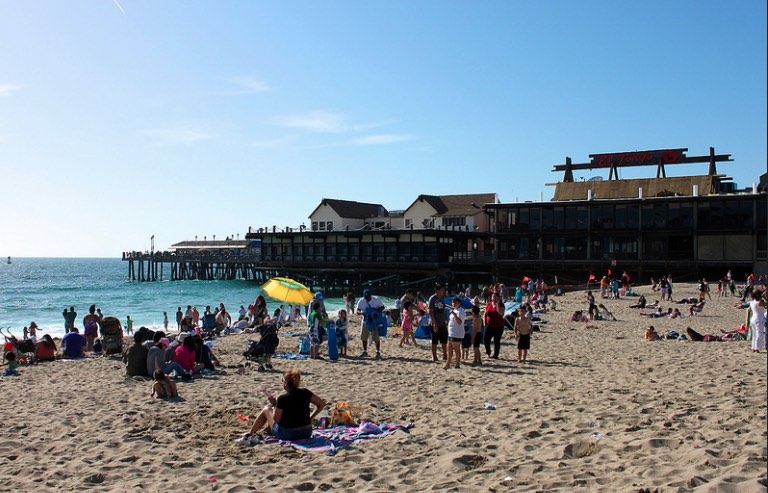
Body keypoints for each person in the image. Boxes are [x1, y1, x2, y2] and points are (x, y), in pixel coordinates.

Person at [244, 370, 326, 441]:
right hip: (306, 432)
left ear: (286, 383)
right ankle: (267, 430)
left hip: (289, 434)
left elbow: (276, 419)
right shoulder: (305, 392)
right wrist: (310, 418)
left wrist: (275, 404)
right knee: (274, 415)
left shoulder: (282, 398)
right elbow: (322, 404)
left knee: (267, 409)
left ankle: (250, 433)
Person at [356, 289, 385, 358]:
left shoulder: (376, 299)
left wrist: (375, 311)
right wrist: (362, 313)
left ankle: (378, 352)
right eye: (366, 298)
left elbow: (382, 307)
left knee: (376, 336)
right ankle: (365, 351)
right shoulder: (361, 301)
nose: (368, 299)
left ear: (371, 296)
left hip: (375, 321)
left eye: (369, 297)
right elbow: (357, 310)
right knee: (364, 336)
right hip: (365, 321)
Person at [428, 284, 449, 362]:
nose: (444, 291)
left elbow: (443, 310)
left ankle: (445, 355)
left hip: (442, 322)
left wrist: (447, 319)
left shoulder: (442, 298)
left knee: (444, 340)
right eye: (442, 290)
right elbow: (430, 311)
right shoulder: (432, 298)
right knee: (435, 341)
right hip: (435, 322)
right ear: (437, 291)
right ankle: (434, 357)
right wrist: (434, 323)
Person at [445, 297, 465, 369]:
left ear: (459, 303)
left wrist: (454, 315)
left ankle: (457, 364)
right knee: (449, 348)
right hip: (451, 332)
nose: (453, 304)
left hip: (457, 333)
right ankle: (448, 364)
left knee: (456, 348)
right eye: (453, 302)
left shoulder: (461, 311)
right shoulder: (454, 310)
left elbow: (459, 322)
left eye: (455, 302)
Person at [484, 293, 505, 359]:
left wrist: (497, 305)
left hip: (498, 326)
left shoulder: (501, 305)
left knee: (496, 341)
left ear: (498, 298)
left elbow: (500, 313)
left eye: (495, 297)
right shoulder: (489, 304)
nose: (494, 298)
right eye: (493, 296)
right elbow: (485, 313)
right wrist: (485, 323)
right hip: (489, 325)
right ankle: (488, 352)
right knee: (486, 339)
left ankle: (496, 355)